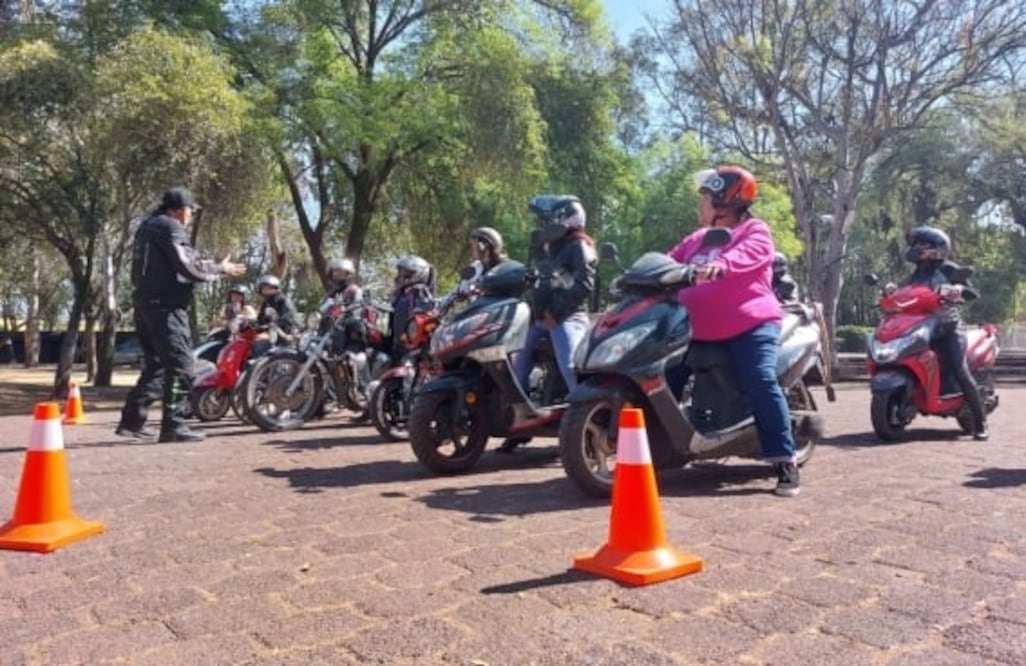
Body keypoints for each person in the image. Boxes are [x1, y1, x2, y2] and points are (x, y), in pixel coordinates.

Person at [668, 166, 800, 497]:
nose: (702, 207)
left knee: (760, 380)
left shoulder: (755, 230)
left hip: (750, 326)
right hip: (696, 329)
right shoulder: (697, 239)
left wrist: (722, 265)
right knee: (664, 377)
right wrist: (638, 275)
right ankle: (661, 447)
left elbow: (748, 254)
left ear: (724, 203)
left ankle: (784, 460)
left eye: (706, 200)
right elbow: (668, 261)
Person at [116, 187, 245, 443]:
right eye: (190, 211)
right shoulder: (170, 228)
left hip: (145, 307)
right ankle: (173, 426)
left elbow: (185, 261)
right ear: (179, 210)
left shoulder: (147, 228)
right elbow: (188, 267)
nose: (191, 216)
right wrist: (220, 269)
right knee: (182, 366)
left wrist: (216, 266)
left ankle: (131, 421)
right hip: (166, 310)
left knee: (157, 366)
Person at [900, 226, 988, 440]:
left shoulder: (948, 269)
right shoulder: (916, 274)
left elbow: (972, 292)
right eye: (915, 245)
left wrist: (959, 289)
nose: (916, 249)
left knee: (960, 371)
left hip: (948, 328)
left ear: (937, 248)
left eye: (921, 245)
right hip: (923, 329)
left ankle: (981, 423)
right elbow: (905, 295)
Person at [513, 196, 596, 400]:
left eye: (547, 220)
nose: (543, 225)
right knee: (516, 361)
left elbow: (584, 285)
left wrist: (555, 312)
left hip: (567, 316)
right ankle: (521, 412)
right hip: (539, 317)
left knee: (570, 366)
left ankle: (587, 409)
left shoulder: (579, 246)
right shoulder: (547, 248)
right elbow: (534, 278)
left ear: (566, 219)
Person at [389, 254, 436, 357]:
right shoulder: (403, 293)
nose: (399, 276)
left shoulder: (418, 290)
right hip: (400, 344)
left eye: (404, 273)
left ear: (416, 273)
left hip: (410, 347)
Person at [252, 274, 300, 357]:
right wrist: (252, 323)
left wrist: (275, 324)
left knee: (260, 347)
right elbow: (260, 319)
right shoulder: (266, 303)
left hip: (285, 336)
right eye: (263, 288)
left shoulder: (283, 300)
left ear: (275, 287)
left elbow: (290, 318)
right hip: (272, 336)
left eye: (268, 287)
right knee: (251, 345)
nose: (265, 290)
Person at [458, 226, 508, 295]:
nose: (472, 247)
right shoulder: (475, 267)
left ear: (483, 245)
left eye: (474, 244)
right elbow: (459, 291)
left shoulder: (506, 269)